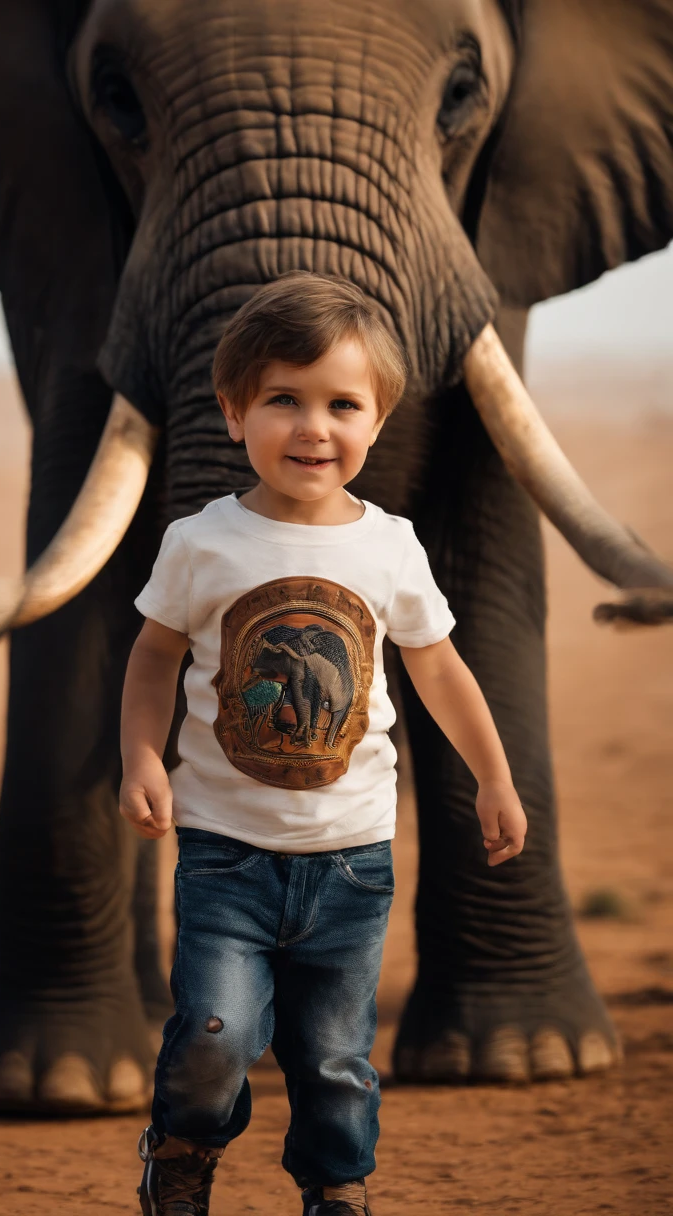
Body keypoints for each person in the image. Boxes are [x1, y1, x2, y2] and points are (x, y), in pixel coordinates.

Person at [119, 271, 527, 1216]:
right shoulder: (199, 542)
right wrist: (143, 755)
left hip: (352, 860)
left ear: (378, 421)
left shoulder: (392, 547)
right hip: (225, 852)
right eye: (282, 401)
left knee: (338, 1058)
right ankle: (183, 1145)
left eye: (342, 404)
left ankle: (335, 1189)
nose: (313, 427)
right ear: (233, 413)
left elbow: (440, 671)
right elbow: (151, 659)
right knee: (215, 1036)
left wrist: (493, 776)